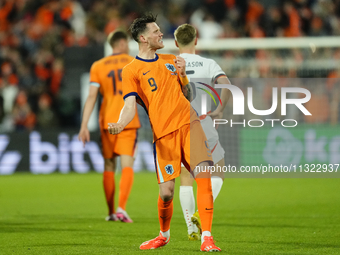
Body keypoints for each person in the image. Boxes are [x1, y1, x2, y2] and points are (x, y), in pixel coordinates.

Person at [108, 13, 221, 252]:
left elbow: (189, 95)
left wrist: (182, 74)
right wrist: (119, 124)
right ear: (143, 38)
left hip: (190, 125)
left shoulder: (172, 59)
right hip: (164, 136)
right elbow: (129, 106)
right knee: (167, 192)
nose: (161, 34)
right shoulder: (131, 70)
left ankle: (207, 238)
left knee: (204, 177)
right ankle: (164, 235)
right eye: (156, 31)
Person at [174, 23, 231, 240]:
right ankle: (200, 213)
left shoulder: (171, 64)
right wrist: (219, 109)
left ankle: (190, 228)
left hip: (180, 125)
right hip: (204, 123)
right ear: (196, 40)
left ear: (176, 42)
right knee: (218, 171)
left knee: (186, 176)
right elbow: (226, 85)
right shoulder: (209, 64)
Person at [78, 30, 140, 223]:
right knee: (127, 163)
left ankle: (112, 212)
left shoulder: (98, 66)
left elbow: (91, 97)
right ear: (121, 43)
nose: (128, 46)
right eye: (127, 43)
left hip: (107, 121)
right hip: (128, 121)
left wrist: (84, 125)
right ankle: (122, 208)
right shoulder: (134, 62)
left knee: (109, 165)